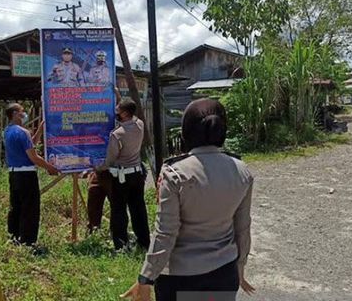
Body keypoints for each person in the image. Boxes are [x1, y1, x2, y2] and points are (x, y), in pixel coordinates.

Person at [121, 98, 255, 301]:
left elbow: (165, 232)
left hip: (180, 278)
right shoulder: (242, 171)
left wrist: (146, 277)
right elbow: (242, 228)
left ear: (186, 132)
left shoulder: (175, 173)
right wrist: (240, 268)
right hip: (224, 273)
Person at [96, 98, 150, 250]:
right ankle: (144, 241)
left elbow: (110, 160)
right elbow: (131, 111)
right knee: (138, 208)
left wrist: (97, 167)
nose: (116, 114)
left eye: (118, 111)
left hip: (121, 177)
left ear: (125, 114)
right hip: (137, 174)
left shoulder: (117, 135)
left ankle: (121, 244)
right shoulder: (140, 124)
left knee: (119, 210)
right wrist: (119, 96)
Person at [4, 103, 59, 248]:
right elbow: (33, 157)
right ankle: (28, 243)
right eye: (22, 111)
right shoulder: (23, 132)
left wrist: (40, 130)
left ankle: (13, 237)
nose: (24, 114)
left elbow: (29, 146)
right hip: (27, 176)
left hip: (14, 175)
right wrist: (51, 167)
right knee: (30, 209)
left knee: (16, 207)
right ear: (15, 113)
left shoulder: (8, 131)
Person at [85, 87, 122, 233]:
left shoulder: (111, 121)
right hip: (96, 170)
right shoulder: (88, 122)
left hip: (111, 170)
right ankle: (93, 231)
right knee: (93, 199)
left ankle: (117, 233)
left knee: (116, 204)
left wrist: (117, 95)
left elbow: (120, 110)